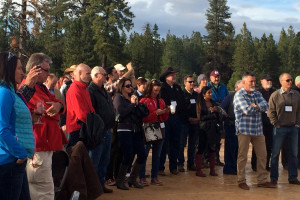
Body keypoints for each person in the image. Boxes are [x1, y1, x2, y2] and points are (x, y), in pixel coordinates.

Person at [20, 53, 66, 199]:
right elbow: (45, 108)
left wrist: (59, 105)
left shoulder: (41, 88)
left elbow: (57, 103)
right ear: (35, 68)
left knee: (42, 188)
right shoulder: (28, 87)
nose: (48, 74)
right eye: (46, 70)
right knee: (43, 190)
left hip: (43, 144)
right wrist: (57, 107)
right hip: (38, 144)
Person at [0, 52, 39, 200]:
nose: (22, 73)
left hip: (13, 161)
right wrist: (21, 153)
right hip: (9, 162)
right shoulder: (4, 93)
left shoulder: (10, 92)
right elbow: (2, 130)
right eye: (19, 68)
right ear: (9, 69)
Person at [233, 72, 275, 190]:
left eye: (254, 81)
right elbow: (246, 110)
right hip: (244, 130)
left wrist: (255, 106)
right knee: (242, 156)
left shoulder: (257, 93)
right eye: (251, 81)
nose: (253, 83)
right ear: (243, 82)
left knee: (263, 155)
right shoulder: (239, 95)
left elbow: (266, 105)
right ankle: (241, 180)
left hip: (257, 129)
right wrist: (257, 107)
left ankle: (262, 180)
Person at [113, 78, 147, 190]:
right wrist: (132, 105)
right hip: (124, 129)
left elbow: (138, 114)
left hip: (135, 128)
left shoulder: (132, 97)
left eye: (130, 86)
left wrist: (137, 104)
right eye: (127, 86)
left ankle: (133, 179)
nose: (130, 88)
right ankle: (120, 180)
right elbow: (121, 112)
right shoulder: (118, 97)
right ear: (121, 87)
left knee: (142, 153)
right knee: (128, 155)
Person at [268, 73, 300, 185]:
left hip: (293, 128)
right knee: (275, 154)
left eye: (291, 80)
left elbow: (299, 111)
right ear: (281, 81)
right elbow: (270, 111)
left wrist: (297, 123)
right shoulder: (275, 95)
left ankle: (293, 177)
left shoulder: (296, 95)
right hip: (280, 128)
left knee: (293, 154)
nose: (290, 82)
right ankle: (273, 178)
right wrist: (276, 123)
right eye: (287, 80)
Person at [88, 66, 115, 193]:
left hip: (107, 130)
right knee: (95, 161)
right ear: (96, 75)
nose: (106, 76)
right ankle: (92, 187)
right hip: (98, 132)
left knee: (105, 160)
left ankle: (100, 184)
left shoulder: (103, 90)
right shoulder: (91, 91)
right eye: (104, 74)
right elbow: (92, 112)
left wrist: (110, 127)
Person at [139, 79, 169, 185]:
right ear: (150, 89)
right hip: (149, 127)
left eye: (158, 90)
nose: (156, 93)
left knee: (157, 154)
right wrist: (155, 113)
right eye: (154, 90)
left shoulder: (161, 101)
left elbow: (164, 118)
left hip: (160, 126)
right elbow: (143, 118)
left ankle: (154, 176)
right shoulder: (144, 101)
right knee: (145, 153)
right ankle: (142, 176)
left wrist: (166, 112)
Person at [159, 67, 186, 175]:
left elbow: (182, 102)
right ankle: (160, 167)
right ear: (166, 77)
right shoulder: (162, 88)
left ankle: (173, 166)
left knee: (176, 143)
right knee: (164, 143)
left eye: (174, 74)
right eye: (171, 75)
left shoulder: (178, 88)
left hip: (176, 118)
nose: (174, 76)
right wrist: (168, 107)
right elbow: (161, 102)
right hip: (166, 118)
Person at [195, 86, 222, 177]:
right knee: (201, 148)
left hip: (213, 129)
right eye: (208, 93)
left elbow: (219, 115)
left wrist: (216, 111)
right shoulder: (200, 103)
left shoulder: (213, 102)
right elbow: (200, 118)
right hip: (203, 129)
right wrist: (212, 115)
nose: (210, 94)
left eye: (211, 93)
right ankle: (198, 170)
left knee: (212, 148)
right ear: (203, 94)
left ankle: (212, 170)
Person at [66, 63, 94, 147]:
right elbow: (81, 114)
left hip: (84, 127)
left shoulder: (84, 88)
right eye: (88, 74)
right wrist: (95, 123)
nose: (90, 76)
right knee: (78, 157)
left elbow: (90, 108)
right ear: (79, 73)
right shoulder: (75, 89)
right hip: (78, 129)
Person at [251, 74, 275, 172]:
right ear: (261, 81)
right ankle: (254, 164)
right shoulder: (257, 92)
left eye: (270, 80)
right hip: (259, 121)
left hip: (271, 122)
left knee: (269, 144)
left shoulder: (274, 91)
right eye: (267, 80)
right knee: (257, 144)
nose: (269, 81)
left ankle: (265, 164)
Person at [221, 80, 243, 175]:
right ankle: (229, 168)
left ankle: (236, 167)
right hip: (231, 125)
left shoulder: (246, 98)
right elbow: (222, 109)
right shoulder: (229, 97)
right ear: (236, 88)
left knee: (239, 148)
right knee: (231, 147)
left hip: (242, 126)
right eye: (241, 87)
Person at [207, 70, 229, 166]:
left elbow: (227, 97)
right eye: (215, 77)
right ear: (211, 77)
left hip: (221, 113)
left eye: (218, 76)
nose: (217, 78)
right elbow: (206, 98)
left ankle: (216, 158)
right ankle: (207, 159)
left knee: (218, 138)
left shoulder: (223, 86)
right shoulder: (207, 86)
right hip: (211, 114)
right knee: (209, 138)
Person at [178, 75, 199, 172]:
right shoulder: (181, 94)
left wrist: (197, 118)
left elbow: (199, 108)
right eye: (189, 82)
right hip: (184, 122)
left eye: (193, 81)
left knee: (193, 143)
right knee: (182, 143)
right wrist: (188, 118)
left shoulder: (196, 95)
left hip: (194, 122)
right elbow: (180, 110)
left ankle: (191, 163)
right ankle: (180, 163)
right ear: (185, 83)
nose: (192, 83)